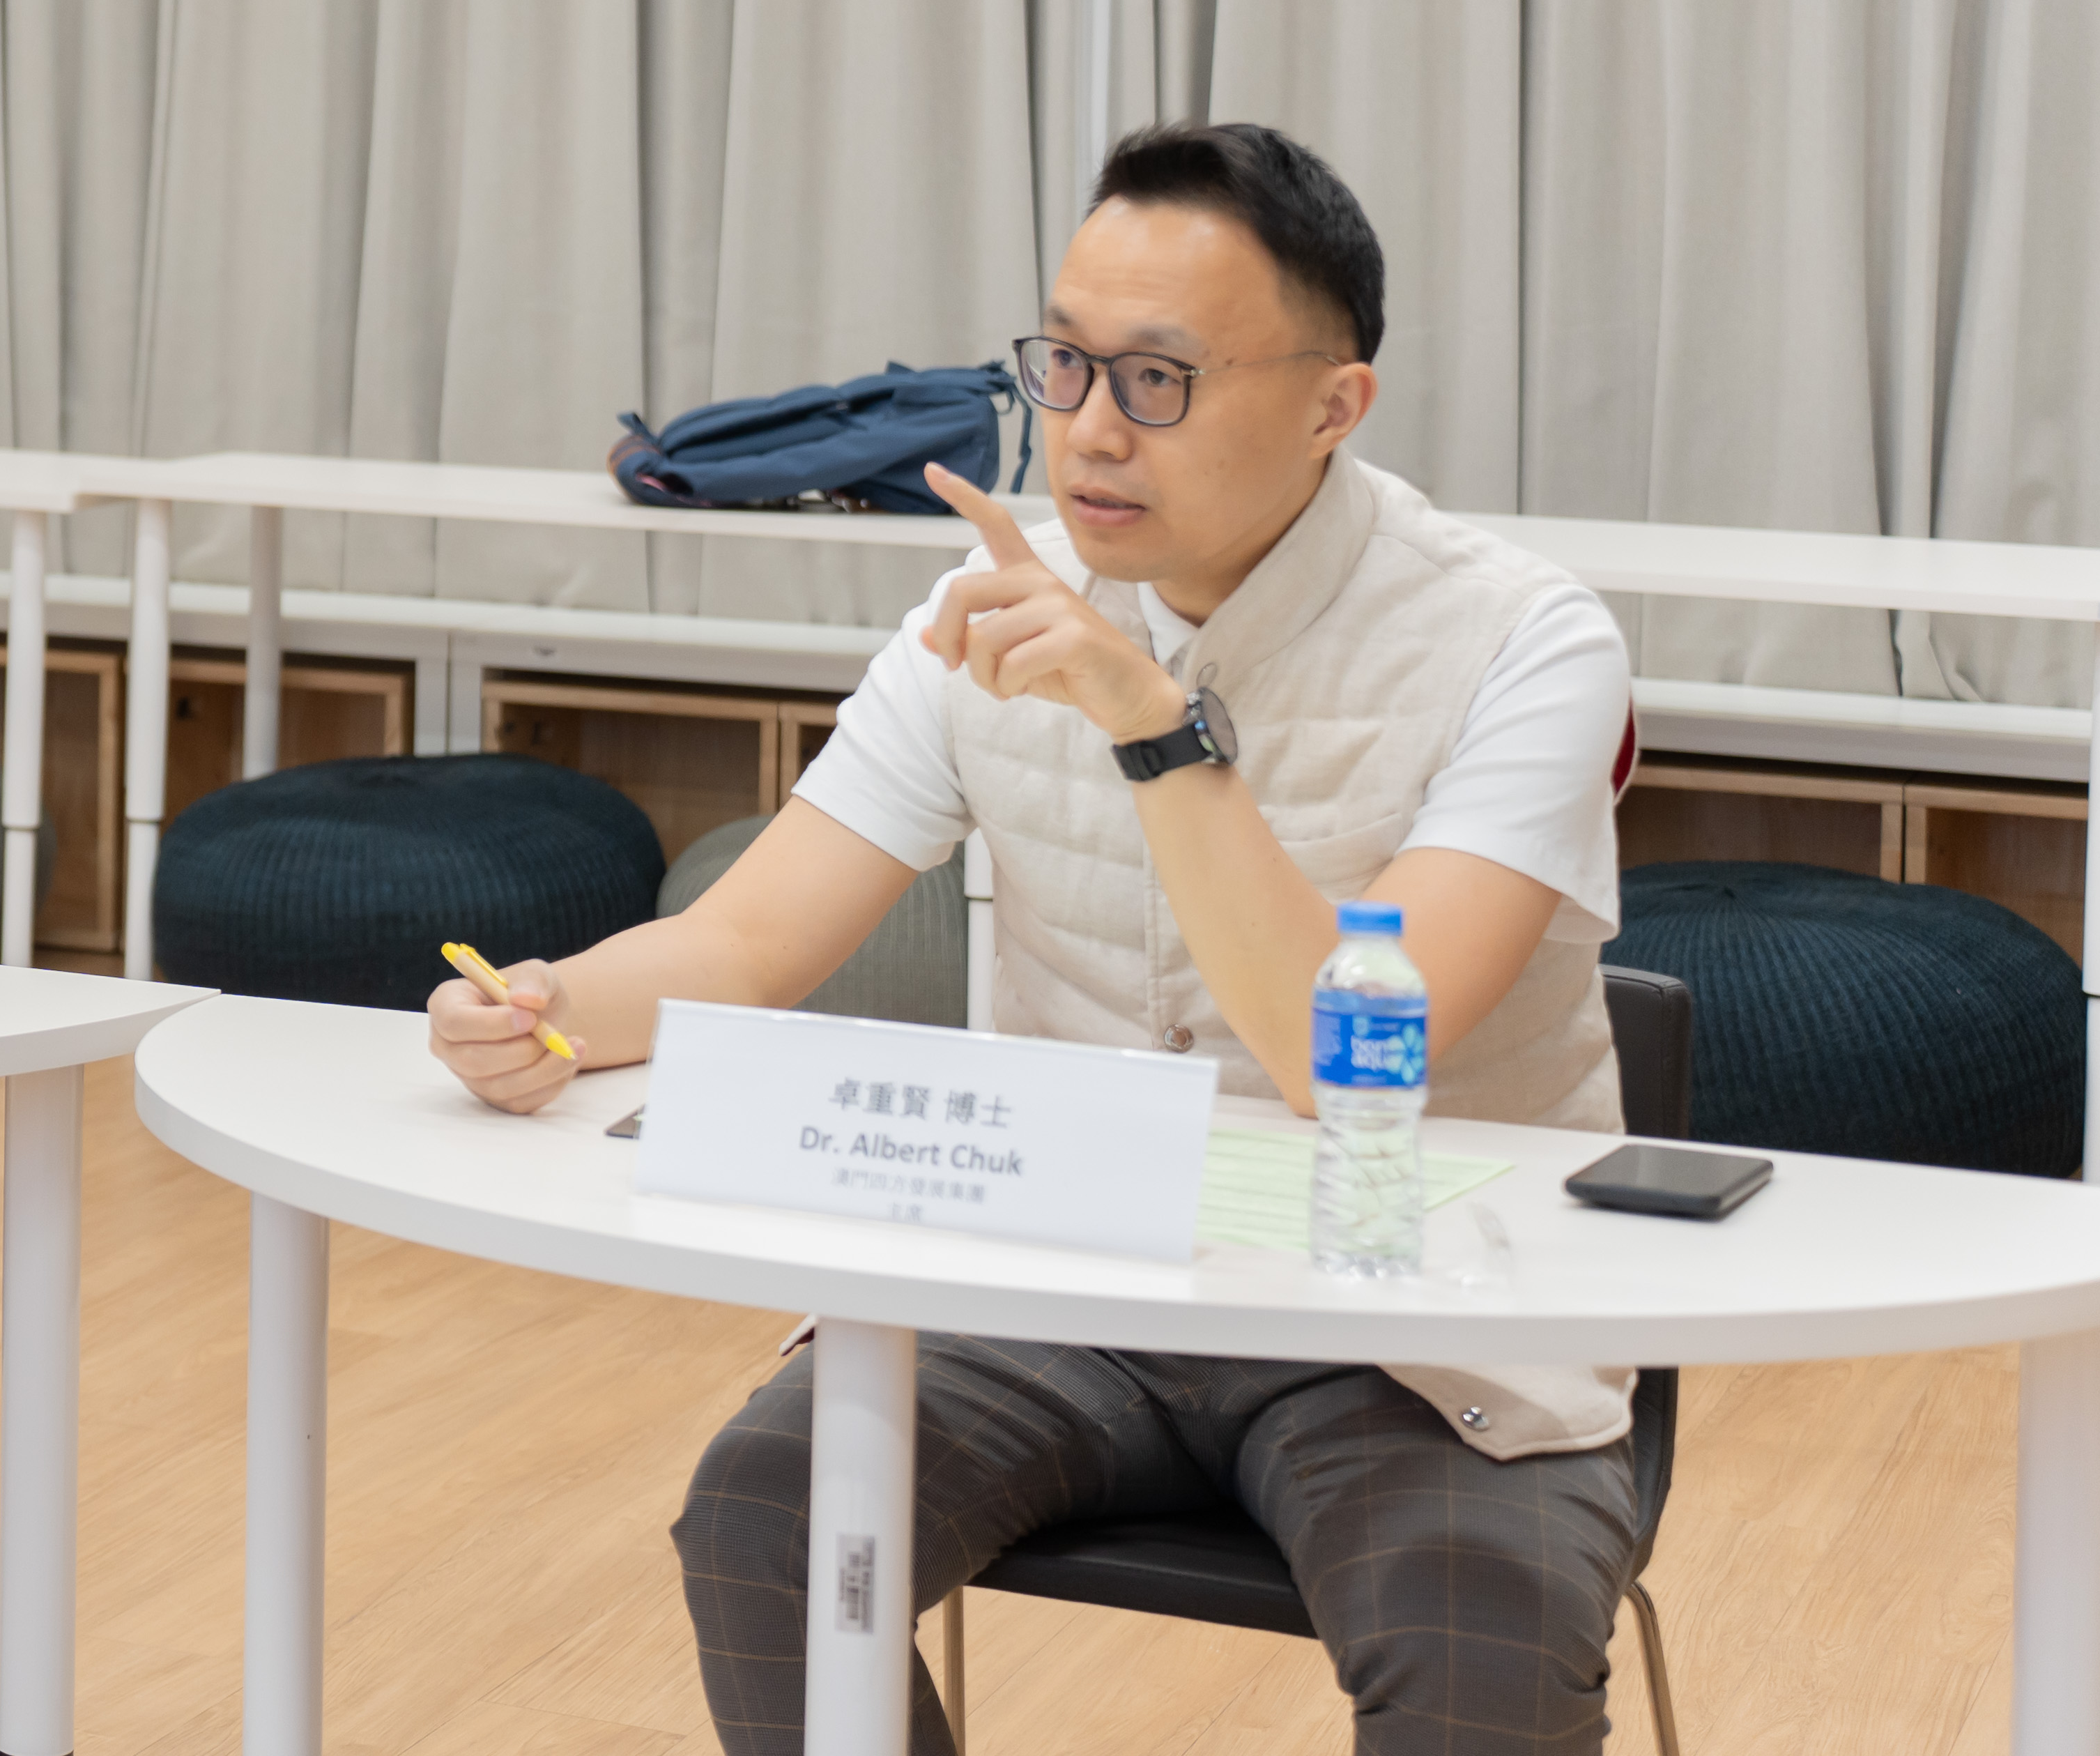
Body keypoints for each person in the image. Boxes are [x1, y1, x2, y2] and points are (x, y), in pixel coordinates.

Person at [431, 123, 1645, 1756]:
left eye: (1159, 378)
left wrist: (1151, 721)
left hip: (1415, 1324)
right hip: (1070, 1276)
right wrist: (548, 1005)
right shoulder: (990, 606)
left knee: (1477, 1632)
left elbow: (1351, 1057)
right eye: (1064, 362)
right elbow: (744, 942)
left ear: (1333, 403)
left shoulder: (1523, 637)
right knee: (771, 1518)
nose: (1089, 429)